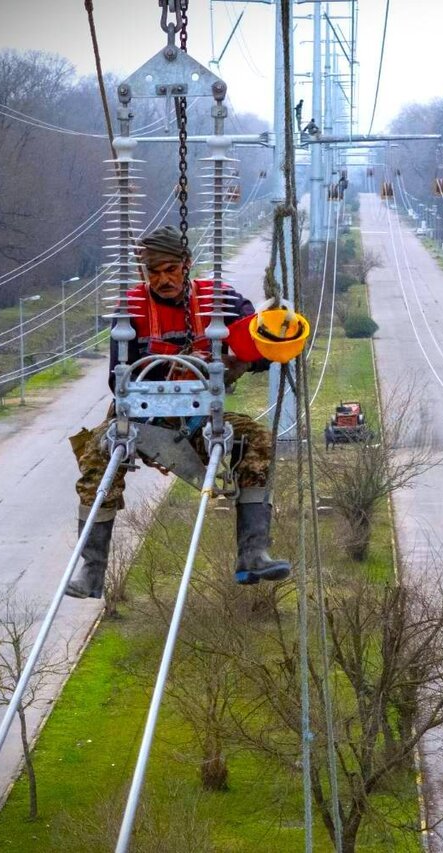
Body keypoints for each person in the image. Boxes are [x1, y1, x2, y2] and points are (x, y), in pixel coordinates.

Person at [66, 225, 290, 598]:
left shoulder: (219, 301)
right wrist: (171, 369)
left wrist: (248, 354)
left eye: (171, 269)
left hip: (199, 417)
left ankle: (253, 554)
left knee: (256, 441)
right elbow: (115, 378)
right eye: (154, 272)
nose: (163, 279)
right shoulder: (133, 309)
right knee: (96, 459)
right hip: (141, 416)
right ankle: (92, 570)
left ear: (186, 265)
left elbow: (260, 345)